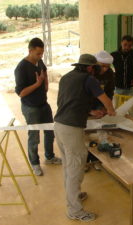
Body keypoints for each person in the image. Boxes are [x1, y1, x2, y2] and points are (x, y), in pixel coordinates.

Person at [54, 54, 116, 222]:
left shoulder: (66, 78)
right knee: (76, 167)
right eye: (95, 68)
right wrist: (111, 112)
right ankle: (74, 210)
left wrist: (90, 112)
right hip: (72, 129)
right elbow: (106, 100)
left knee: (68, 165)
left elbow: (68, 102)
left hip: (59, 126)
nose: (97, 71)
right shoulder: (89, 80)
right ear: (90, 68)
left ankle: (74, 197)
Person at [14, 37, 61, 176]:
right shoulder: (21, 68)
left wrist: (45, 83)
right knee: (34, 136)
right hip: (31, 108)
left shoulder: (39, 62)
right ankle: (35, 164)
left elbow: (44, 71)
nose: (41, 56)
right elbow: (21, 93)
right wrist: (38, 84)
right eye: (38, 53)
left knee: (49, 132)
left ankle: (50, 157)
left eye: (42, 53)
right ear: (30, 51)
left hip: (43, 104)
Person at [85, 50, 115, 172]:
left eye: (107, 67)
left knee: (99, 135)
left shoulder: (110, 74)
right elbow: (82, 95)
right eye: (102, 66)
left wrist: (106, 107)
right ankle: (85, 162)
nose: (105, 69)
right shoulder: (89, 74)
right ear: (95, 64)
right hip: (87, 107)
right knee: (86, 136)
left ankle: (96, 160)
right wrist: (89, 110)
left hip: (100, 106)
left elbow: (109, 92)